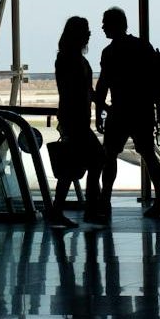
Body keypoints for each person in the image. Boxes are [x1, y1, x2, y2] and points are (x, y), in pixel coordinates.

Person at [93, 7, 160, 221]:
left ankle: (105, 199)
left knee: (110, 155)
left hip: (120, 110)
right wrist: (158, 105)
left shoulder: (109, 53)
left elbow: (103, 84)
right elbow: (152, 79)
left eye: (105, 23)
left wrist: (99, 109)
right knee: (148, 154)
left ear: (114, 25)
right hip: (142, 109)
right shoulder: (141, 46)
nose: (102, 27)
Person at [47, 17, 98, 228]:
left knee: (70, 167)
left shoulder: (67, 58)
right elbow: (78, 91)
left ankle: (59, 210)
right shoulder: (73, 60)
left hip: (74, 119)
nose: (89, 34)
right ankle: (90, 208)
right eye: (86, 31)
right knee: (96, 160)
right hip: (76, 120)